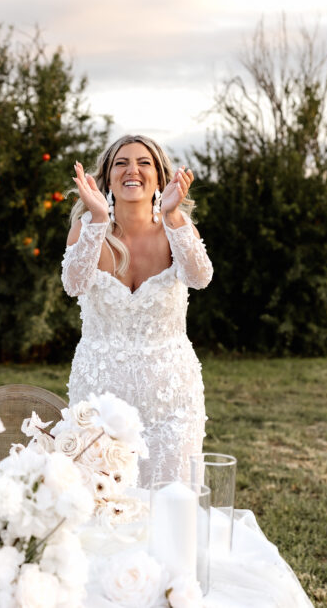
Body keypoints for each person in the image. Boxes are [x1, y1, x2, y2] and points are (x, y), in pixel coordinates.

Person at [62, 134, 213, 484]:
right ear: (108, 178)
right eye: (121, 163)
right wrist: (98, 219)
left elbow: (200, 277)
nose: (133, 170)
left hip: (172, 399)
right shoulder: (87, 229)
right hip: (99, 398)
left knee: (173, 504)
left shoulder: (176, 227)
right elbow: (74, 285)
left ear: (159, 177)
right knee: (102, 507)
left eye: (144, 163)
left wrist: (174, 216)